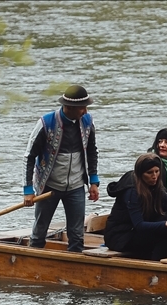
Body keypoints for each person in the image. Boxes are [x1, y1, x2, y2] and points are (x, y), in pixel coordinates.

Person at [23, 84, 100, 253]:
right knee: (39, 232)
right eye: (82, 108)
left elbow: (92, 151)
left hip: (76, 185)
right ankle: (33, 260)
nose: (85, 112)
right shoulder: (46, 123)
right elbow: (29, 157)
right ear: (69, 107)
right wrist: (28, 189)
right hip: (48, 186)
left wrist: (94, 181)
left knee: (77, 235)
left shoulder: (87, 122)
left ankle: (74, 268)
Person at [103, 153, 167, 260]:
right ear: (140, 174)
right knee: (161, 236)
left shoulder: (156, 186)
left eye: (157, 171)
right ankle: (154, 268)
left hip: (136, 231)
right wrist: (166, 223)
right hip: (120, 236)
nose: (154, 176)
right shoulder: (132, 191)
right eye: (149, 173)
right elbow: (139, 225)